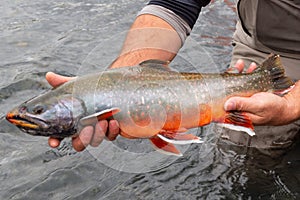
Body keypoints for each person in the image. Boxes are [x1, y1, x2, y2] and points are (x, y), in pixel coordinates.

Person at [47, 0, 300, 152]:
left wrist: (291, 105)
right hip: (266, 45)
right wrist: (119, 79)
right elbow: (175, 4)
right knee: (247, 149)